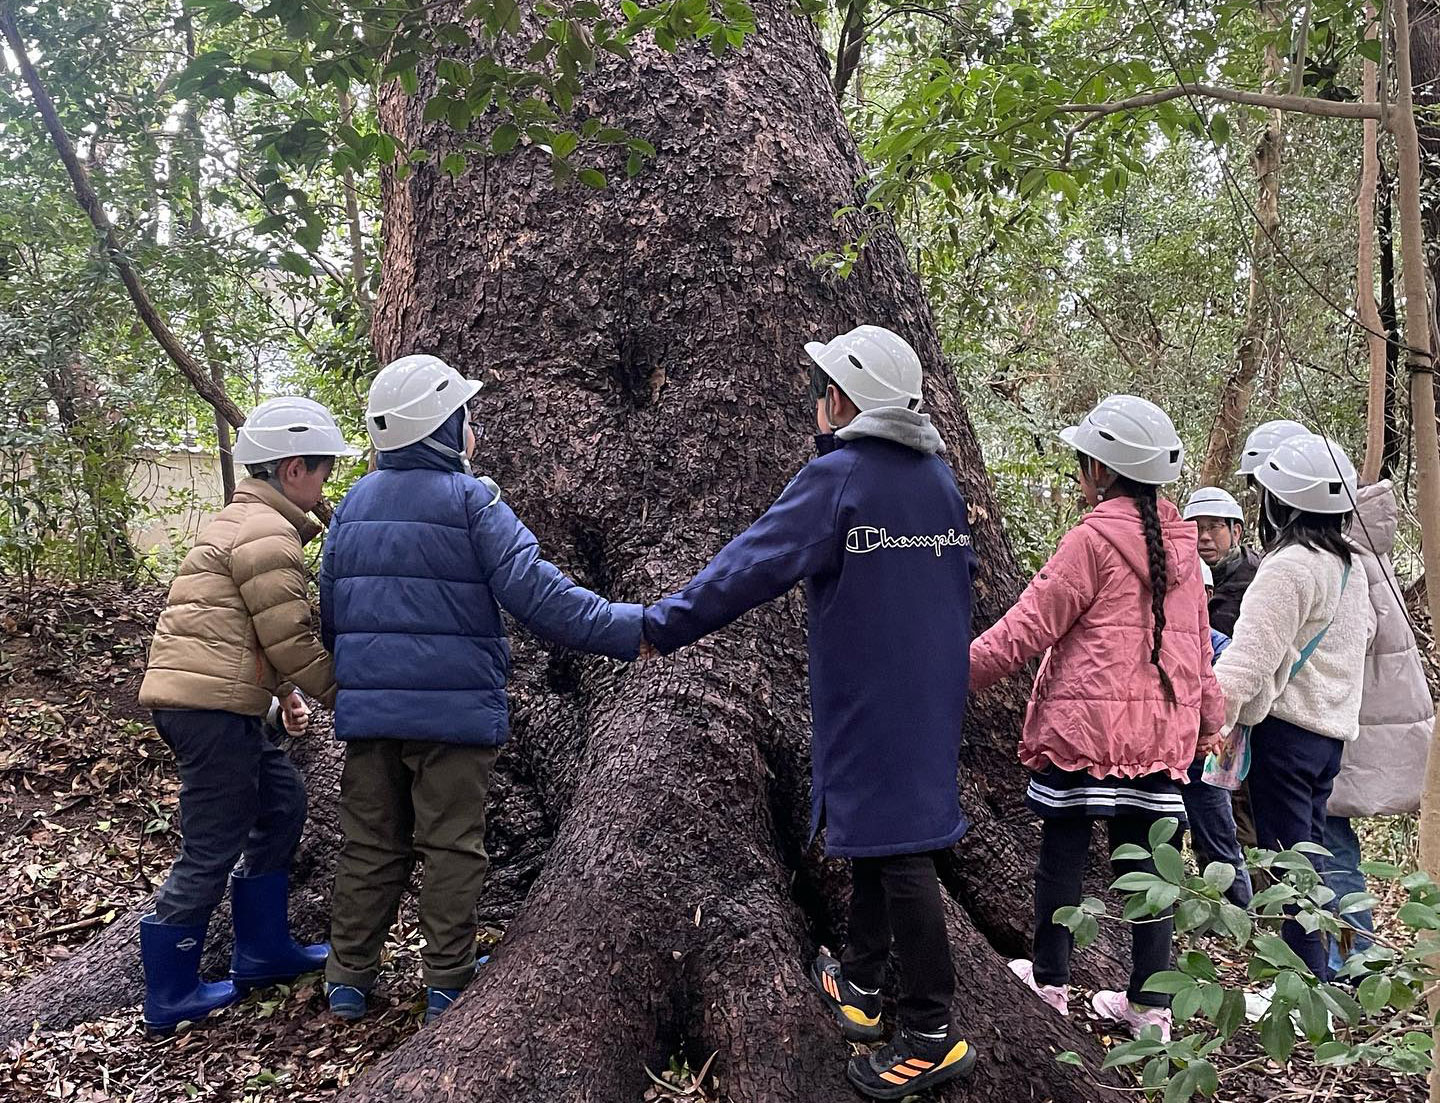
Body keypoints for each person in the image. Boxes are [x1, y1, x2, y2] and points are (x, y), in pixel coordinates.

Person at [642, 324, 978, 1099]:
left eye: (825, 387)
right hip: (924, 693)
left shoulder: (839, 478)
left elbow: (750, 564)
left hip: (866, 693)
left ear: (844, 400)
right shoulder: (938, 481)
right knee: (877, 830)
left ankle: (931, 1031)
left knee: (903, 851)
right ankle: (859, 983)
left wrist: (664, 624)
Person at [320, 354, 644, 1025]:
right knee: (450, 845)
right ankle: (446, 978)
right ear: (440, 428)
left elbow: (330, 611)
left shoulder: (351, 504)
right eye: (464, 415)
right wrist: (628, 627)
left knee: (372, 844)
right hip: (453, 716)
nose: (474, 426)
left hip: (369, 712)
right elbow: (540, 595)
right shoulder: (474, 500)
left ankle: (348, 976)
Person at [970, 394, 1224, 1044]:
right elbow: (1198, 649)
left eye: (1082, 460)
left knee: (1061, 858)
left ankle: (1051, 983)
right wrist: (1207, 723)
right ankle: (1152, 1008)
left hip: (1084, 737)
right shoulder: (1185, 550)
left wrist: (953, 674)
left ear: (1101, 470)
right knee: (1150, 876)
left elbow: (1029, 624)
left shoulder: (1089, 540)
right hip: (1160, 740)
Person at [136, 397, 359, 1032]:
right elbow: (290, 638)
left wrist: (284, 694)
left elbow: (249, 633)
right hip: (207, 710)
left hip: (216, 705)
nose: (325, 486)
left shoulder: (246, 521)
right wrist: (349, 697)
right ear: (293, 469)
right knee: (211, 843)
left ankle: (261, 951)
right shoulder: (267, 533)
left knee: (283, 799)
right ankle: (170, 992)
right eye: (322, 471)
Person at [1213, 434, 1375, 980]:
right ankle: (1327, 978)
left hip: (1285, 738)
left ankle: (1305, 991)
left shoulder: (1290, 566)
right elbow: (1365, 638)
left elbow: (1248, 659)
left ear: (1277, 504)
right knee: (1313, 861)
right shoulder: (1348, 567)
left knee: (1288, 870)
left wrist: (1207, 719)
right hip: (1329, 740)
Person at [1324, 479, 1434, 972]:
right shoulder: (1373, 556)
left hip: (1347, 732)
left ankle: (1349, 964)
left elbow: (1351, 646)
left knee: (1331, 850)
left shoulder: (1350, 564)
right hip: (1367, 732)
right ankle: (1349, 960)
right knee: (1333, 846)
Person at [1179, 560, 1253, 908]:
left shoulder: (1222, 646)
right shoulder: (1163, 637)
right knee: (1168, 837)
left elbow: (1227, 698)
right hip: (1171, 757)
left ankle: (1241, 920)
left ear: (1207, 596)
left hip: (1207, 761)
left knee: (1221, 842)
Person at [1183, 486, 1257, 637]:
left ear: (1235, 532)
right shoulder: (1177, 577)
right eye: (1196, 528)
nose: (1204, 536)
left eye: (1214, 527)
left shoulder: (1257, 579)